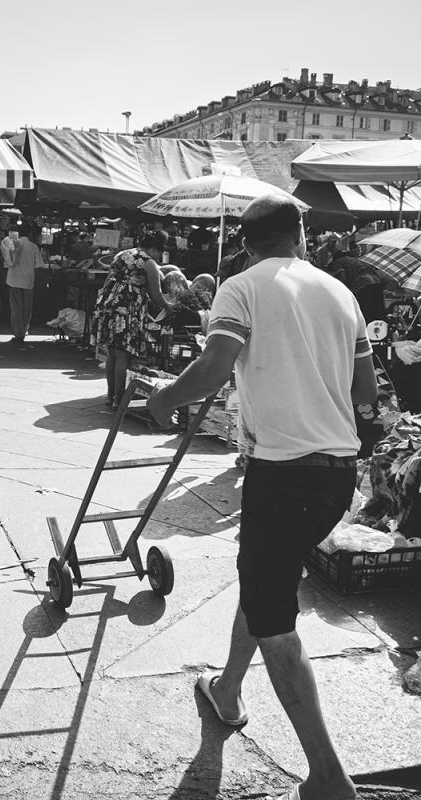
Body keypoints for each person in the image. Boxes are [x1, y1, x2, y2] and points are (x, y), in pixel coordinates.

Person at [148, 195, 377, 800]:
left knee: (275, 617)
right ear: (301, 234)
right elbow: (366, 389)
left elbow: (213, 367)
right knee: (265, 581)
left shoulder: (240, 287)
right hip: (337, 474)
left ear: (247, 242)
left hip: (284, 475)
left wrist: (163, 399)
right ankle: (226, 691)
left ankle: (328, 776)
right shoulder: (341, 293)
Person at [92, 230, 171, 408]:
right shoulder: (148, 263)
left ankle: (110, 395)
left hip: (108, 304)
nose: (159, 257)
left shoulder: (122, 254)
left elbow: (109, 278)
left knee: (112, 354)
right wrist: (169, 306)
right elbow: (156, 295)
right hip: (127, 309)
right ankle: (118, 399)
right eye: (159, 252)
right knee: (122, 356)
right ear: (153, 249)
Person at [6, 223, 44, 344]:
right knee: (26, 308)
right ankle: (23, 331)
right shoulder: (33, 247)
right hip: (28, 281)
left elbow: (6, 263)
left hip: (13, 280)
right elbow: (38, 265)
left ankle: (18, 333)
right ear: (29, 234)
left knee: (16, 308)